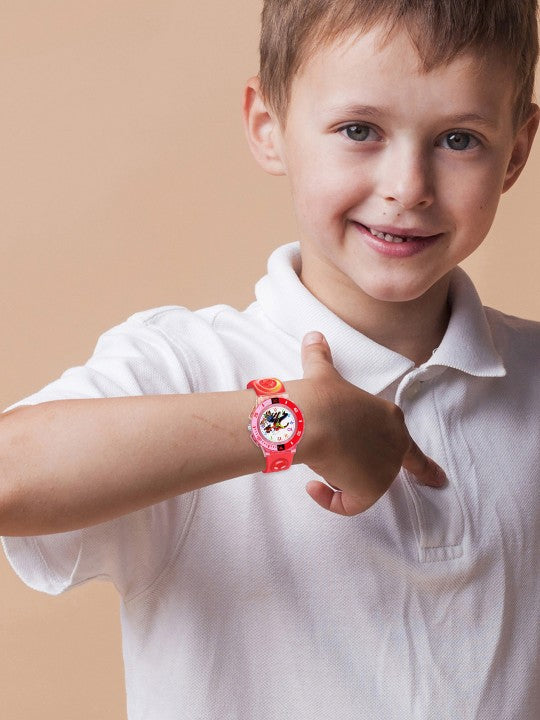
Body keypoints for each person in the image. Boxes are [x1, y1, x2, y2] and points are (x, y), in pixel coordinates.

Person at [1, 0, 539, 717]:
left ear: (517, 151)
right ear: (268, 126)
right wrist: (294, 421)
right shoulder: (190, 366)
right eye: (359, 130)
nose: (408, 186)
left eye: (460, 139)